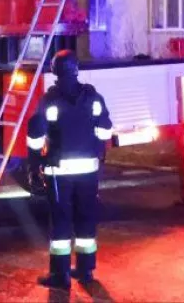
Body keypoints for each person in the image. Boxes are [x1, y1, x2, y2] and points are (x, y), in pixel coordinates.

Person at [26, 50, 113, 290]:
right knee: (86, 219)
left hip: (59, 172)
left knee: (61, 223)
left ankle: (60, 275)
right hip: (89, 171)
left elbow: (35, 133)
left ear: (55, 70)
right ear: (76, 69)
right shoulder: (92, 97)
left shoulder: (50, 99)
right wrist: (95, 148)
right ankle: (85, 270)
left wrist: (34, 163)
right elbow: (105, 129)